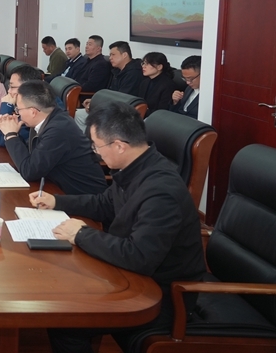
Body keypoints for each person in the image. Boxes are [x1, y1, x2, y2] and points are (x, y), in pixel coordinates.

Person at [31, 102, 205, 353]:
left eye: (96, 146)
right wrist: (57, 201)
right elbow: (105, 203)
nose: (95, 153)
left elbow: (139, 256)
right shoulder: (136, 167)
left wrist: (80, 234)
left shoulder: (160, 191)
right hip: (131, 276)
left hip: (162, 295)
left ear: (120, 145)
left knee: (67, 321)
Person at [0, 81, 106, 195]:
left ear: (33, 112)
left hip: (84, 198)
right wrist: (13, 134)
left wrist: (11, 135)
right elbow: (31, 158)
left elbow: (29, 171)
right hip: (58, 187)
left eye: (18, 109)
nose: (17, 114)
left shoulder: (58, 130)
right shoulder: (49, 118)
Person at [75, 40, 143, 131]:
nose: (110, 58)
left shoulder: (134, 73)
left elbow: (122, 100)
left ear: (124, 55)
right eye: (110, 55)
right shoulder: (117, 70)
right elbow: (110, 93)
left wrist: (97, 105)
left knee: (81, 116)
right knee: (78, 115)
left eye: (113, 55)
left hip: (123, 113)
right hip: (111, 107)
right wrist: (93, 101)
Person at [0, 64, 44, 146]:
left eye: (12, 87)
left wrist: (6, 106)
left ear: (28, 88)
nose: (9, 91)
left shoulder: (35, 109)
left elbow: (3, 140)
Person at [138, 52, 180, 117]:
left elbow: (162, 111)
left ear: (159, 67)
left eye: (147, 64)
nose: (143, 66)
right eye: (143, 63)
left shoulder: (168, 85)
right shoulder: (145, 82)